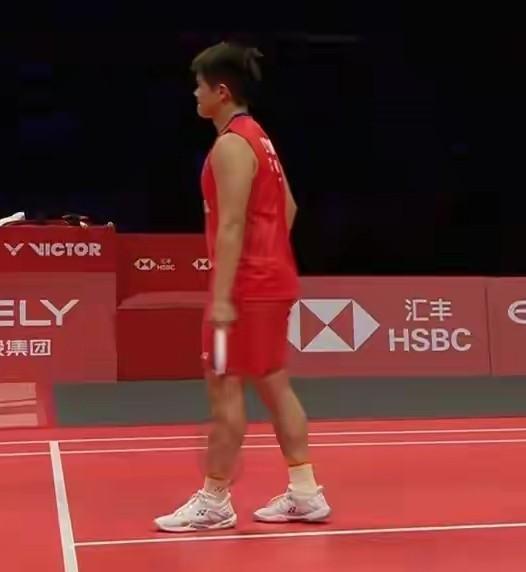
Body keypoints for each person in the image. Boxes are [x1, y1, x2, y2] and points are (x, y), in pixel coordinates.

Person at [155, 41, 332, 532]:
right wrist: (268, 255)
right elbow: (289, 208)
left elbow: (231, 224)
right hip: (271, 282)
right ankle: (305, 492)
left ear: (221, 91)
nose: (194, 94)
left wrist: (222, 297)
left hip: (242, 292)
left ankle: (214, 500)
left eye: (199, 86)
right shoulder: (261, 140)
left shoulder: (231, 145)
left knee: (224, 389)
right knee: (274, 382)